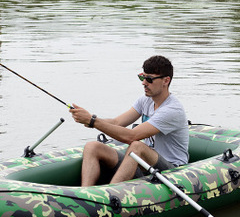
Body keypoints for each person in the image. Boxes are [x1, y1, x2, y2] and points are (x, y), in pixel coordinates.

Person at [70, 55, 189, 186]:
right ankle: (85, 193)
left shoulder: (172, 110)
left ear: (166, 81)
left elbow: (131, 136)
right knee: (92, 146)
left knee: (137, 146)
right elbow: (116, 123)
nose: (144, 83)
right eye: (142, 77)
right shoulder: (145, 100)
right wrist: (90, 118)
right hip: (145, 165)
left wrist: (93, 121)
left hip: (172, 170)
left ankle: (109, 194)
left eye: (149, 79)